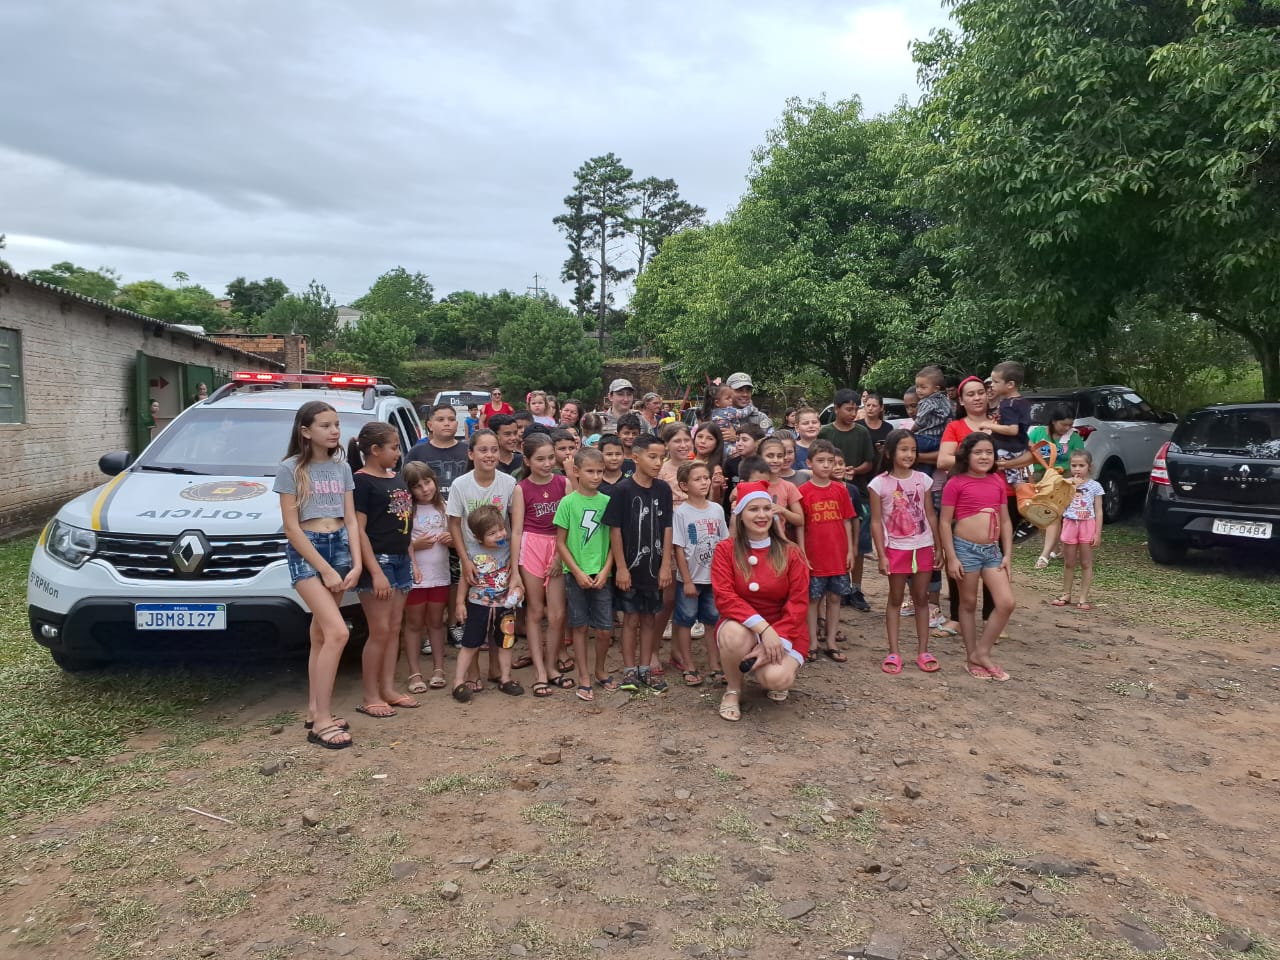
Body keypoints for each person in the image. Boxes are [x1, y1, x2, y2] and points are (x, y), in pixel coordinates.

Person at [275, 400, 361, 749]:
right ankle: (322, 723)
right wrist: (325, 570)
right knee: (338, 632)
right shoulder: (290, 469)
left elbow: (352, 520)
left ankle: (315, 709)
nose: (334, 431)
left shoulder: (342, 469)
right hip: (308, 552)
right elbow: (291, 529)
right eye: (325, 425)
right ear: (306, 431)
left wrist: (356, 563)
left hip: (339, 544)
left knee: (322, 635)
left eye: (337, 424)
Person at [711, 481, 810, 721]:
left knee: (776, 680)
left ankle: (768, 667)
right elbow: (725, 597)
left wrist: (778, 636)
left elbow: (798, 603)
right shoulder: (725, 550)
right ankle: (733, 689)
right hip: (744, 624)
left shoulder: (791, 551)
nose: (762, 515)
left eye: (767, 508)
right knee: (733, 635)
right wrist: (764, 630)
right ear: (740, 514)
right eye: (753, 509)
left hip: (785, 627)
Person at [446, 429, 521, 699]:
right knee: (474, 630)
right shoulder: (461, 485)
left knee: (504, 629)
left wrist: (515, 566)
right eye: (483, 450)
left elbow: (515, 527)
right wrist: (465, 559)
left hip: (504, 568)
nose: (489, 455)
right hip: (475, 566)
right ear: (471, 453)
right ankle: (463, 679)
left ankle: (502, 676)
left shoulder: (509, 483)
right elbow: (453, 522)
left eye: (493, 450)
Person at [349, 422, 417, 719]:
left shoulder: (396, 478)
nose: (397, 453)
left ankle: (388, 688)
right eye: (393, 447)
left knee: (393, 629)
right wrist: (374, 571)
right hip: (379, 561)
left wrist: (411, 558)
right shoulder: (361, 482)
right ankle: (370, 694)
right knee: (378, 631)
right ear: (374, 450)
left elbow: (405, 524)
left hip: (401, 560)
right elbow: (359, 530)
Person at [939, 433, 1015, 681]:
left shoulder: (996, 481)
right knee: (968, 604)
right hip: (965, 549)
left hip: (992, 551)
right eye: (978, 452)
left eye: (989, 453)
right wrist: (951, 557)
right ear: (967, 455)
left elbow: (1005, 520)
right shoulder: (956, 482)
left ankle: (981, 652)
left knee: (1006, 602)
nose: (984, 457)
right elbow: (944, 522)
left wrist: (1008, 555)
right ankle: (971, 656)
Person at [603, 433, 673, 693]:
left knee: (649, 619)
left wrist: (666, 564)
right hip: (630, 569)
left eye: (661, 457)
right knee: (630, 619)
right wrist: (620, 567)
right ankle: (629, 670)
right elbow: (615, 530)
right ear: (636, 457)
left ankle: (646, 668)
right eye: (652, 456)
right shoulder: (622, 489)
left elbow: (667, 527)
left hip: (655, 568)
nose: (657, 463)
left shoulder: (663, 489)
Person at [868, 430, 941, 674]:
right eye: (903, 449)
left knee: (922, 599)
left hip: (923, 546)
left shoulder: (923, 480)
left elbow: (930, 514)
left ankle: (923, 650)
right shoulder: (878, 484)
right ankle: (894, 651)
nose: (909, 454)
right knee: (895, 599)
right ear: (889, 452)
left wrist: (938, 546)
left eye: (913, 449)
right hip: (895, 548)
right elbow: (876, 522)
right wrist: (881, 554)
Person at [510, 433, 571, 697]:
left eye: (550, 457)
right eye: (540, 459)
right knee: (535, 611)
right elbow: (516, 531)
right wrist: (515, 570)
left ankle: (552, 665)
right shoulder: (521, 488)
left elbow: (569, 525)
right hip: (532, 545)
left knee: (557, 614)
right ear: (527, 460)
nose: (547, 463)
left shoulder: (564, 483)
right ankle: (539, 671)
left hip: (557, 545)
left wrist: (561, 555)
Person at [555, 446, 615, 701]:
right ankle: (583, 676)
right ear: (577, 472)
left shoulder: (607, 502)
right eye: (590, 471)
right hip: (575, 575)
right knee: (579, 627)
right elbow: (560, 543)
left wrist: (606, 570)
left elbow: (614, 542)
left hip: (602, 574)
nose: (596, 476)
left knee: (604, 629)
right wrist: (577, 571)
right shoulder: (568, 503)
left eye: (600, 471)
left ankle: (600, 669)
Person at [451, 504, 525, 701]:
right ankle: (458, 681)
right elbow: (464, 580)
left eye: (501, 529)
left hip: (504, 606)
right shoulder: (471, 552)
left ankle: (506, 678)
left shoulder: (509, 549)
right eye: (492, 533)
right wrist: (459, 603)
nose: (500, 535)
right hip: (478, 605)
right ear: (478, 537)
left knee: (506, 643)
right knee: (470, 643)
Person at [671, 461, 728, 687]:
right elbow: (678, 548)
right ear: (684, 485)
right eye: (697, 479)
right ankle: (688, 664)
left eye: (706, 477)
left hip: (714, 579)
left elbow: (724, 544)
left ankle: (715, 664)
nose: (704, 482)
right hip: (690, 579)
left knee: (712, 621)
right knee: (685, 621)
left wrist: (724, 576)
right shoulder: (681, 513)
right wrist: (686, 580)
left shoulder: (717, 509)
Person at [797, 440, 855, 662]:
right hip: (814, 556)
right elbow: (801, 525)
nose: (826, 465)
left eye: (830, 461)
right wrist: (802, 551)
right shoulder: (803, 492)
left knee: (835, 599)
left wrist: (850, 551)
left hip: (838, 555)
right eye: (820, 461)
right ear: (809, 463)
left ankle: (830, 641)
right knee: (813, 599)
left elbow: (847, 521)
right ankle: (812, 641)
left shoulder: (840, 490)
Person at [818, 390, 875, 611]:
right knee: (834, 543)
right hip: (829, 493)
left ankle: (856, 588)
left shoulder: (861, 432)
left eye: (855, 409)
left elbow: (869, 462)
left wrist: (855, 469)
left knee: (859, 544)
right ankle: (838, 588)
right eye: (848, 409)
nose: (853, 413)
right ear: (837, 408)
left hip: (857, 493)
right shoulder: (825, 431)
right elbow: (819, 459)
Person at [402, 461, 451, 693]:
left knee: (436, 622)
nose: (424, 489)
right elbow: (399, 541)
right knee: (414, 624)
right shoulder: (406, 511)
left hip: (440, 575)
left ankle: (439, 668)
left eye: (427, 482)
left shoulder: (443, 506)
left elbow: (455, 533)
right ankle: (414, 671)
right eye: (417, 486)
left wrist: (450, 538)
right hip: (416, 577)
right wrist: (415, 545)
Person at [1029, 406, 1085, 568]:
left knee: (1054, 513)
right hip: (1041, 476)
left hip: (1063, 478)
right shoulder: (1038, 433)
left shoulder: (1073, 438)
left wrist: (1076, 479)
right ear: (1053, 422)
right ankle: (1053, 547)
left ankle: (1045, 554)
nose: (1067, 428)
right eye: (1063, 424)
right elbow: (1028, 452)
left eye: (1070, 425)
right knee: (1039, 514)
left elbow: (1081, 459)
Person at [1053, 451, 1104, 610]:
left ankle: (1083, 597)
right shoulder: (1066, 483)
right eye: (1074, 465)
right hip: (1070, 523)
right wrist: (1070, 485)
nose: (1077, 469)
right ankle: (1066, 593)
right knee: (1069, 562)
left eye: (1081, 465)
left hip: (1087, 524)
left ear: (1089, 467)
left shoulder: (1095, 486)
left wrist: (1097, 533)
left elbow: (1099, 510)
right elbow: (1058, 501)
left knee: (1086, 562)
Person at [405, 404, 470, 501]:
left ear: (457, 424)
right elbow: (406, 484)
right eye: (440, 420)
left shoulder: (470, 451)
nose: (447, 423)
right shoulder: (416, 452)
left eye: (451, 419)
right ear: (430, 425)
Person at [984, 361, 1032, 486]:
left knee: (1013, 481)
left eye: (995, 382)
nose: (992, 385)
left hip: (1007, 448)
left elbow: (1012, 430)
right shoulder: (1023, 402)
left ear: (1010, 384)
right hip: (1021, 446)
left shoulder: (1007, 405)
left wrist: (989, 425)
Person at [759, 436, 804, 533]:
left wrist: (783, 510)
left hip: (779, 543)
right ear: (760, 457)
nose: (775, 460)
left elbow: (800, 520)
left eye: (779, 456)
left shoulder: (788, 487)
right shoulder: (751, 484)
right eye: (770, 456)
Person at [911, 366, 951, 465]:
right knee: (928, 464)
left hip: (925, 438)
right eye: (917, 387)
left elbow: (919, 422)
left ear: (936, 389)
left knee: (903, 443)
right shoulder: (945, 400)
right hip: (939, 440)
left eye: (923, 387)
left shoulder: (926, 402)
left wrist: (911, 431)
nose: (919, 390)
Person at [692, 422, 728, 505]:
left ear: (717, 443)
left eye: (710, 438)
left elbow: (717, 504)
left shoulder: (716, 469)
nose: (703, 441)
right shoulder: (685, 460)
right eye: (700, 436)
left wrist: (715, 488)